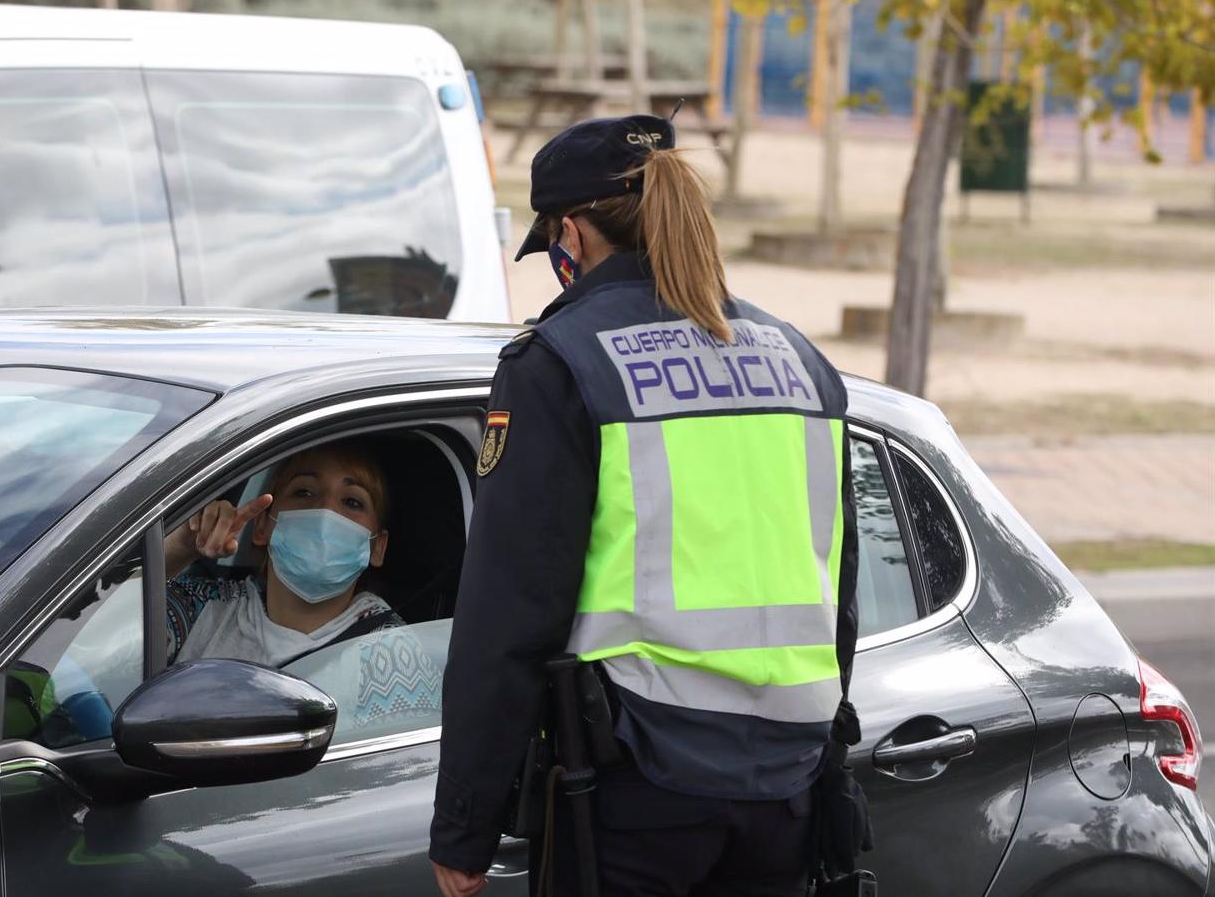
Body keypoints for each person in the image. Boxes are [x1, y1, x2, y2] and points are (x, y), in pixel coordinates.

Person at [429, 115, 860, 897]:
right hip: (788, 787)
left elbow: (510, 613)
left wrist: (466, 824)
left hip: (639, 785)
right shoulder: (801, 360)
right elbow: (841, 596)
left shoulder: (559, 362)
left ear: (570, 233)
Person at [162, 437, 405, 667]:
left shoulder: (393, 653)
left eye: (352, 502)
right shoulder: (203, 607)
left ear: (378, 547)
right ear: (261, 526)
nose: (326, 510)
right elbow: (126, 613)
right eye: (305, 492)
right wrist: (182, 544)